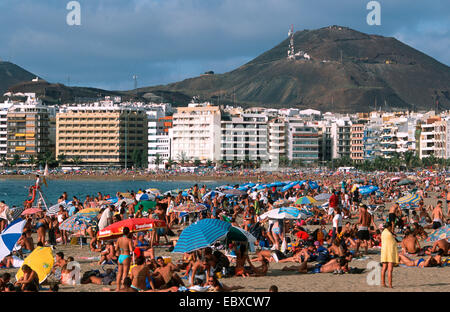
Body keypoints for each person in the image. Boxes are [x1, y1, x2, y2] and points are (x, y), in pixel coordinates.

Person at [380, 221, 398, 288]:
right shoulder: (389, 234)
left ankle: (383, 283)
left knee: (384, 268)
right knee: (390, 269)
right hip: (389, 252)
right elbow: (393, 243)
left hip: (384, 252)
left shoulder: (383, 233)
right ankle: (390, 285)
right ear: (389, 227)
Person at [115, 226, 133, 291]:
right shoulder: (129, 240)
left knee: (119, 273)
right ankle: (123, 287)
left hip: (120, 256)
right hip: (126, 256)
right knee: (125, 273)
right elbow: (131, 250)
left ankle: (117, 288)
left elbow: (116, 248)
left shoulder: (119, 239)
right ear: (128, 233)